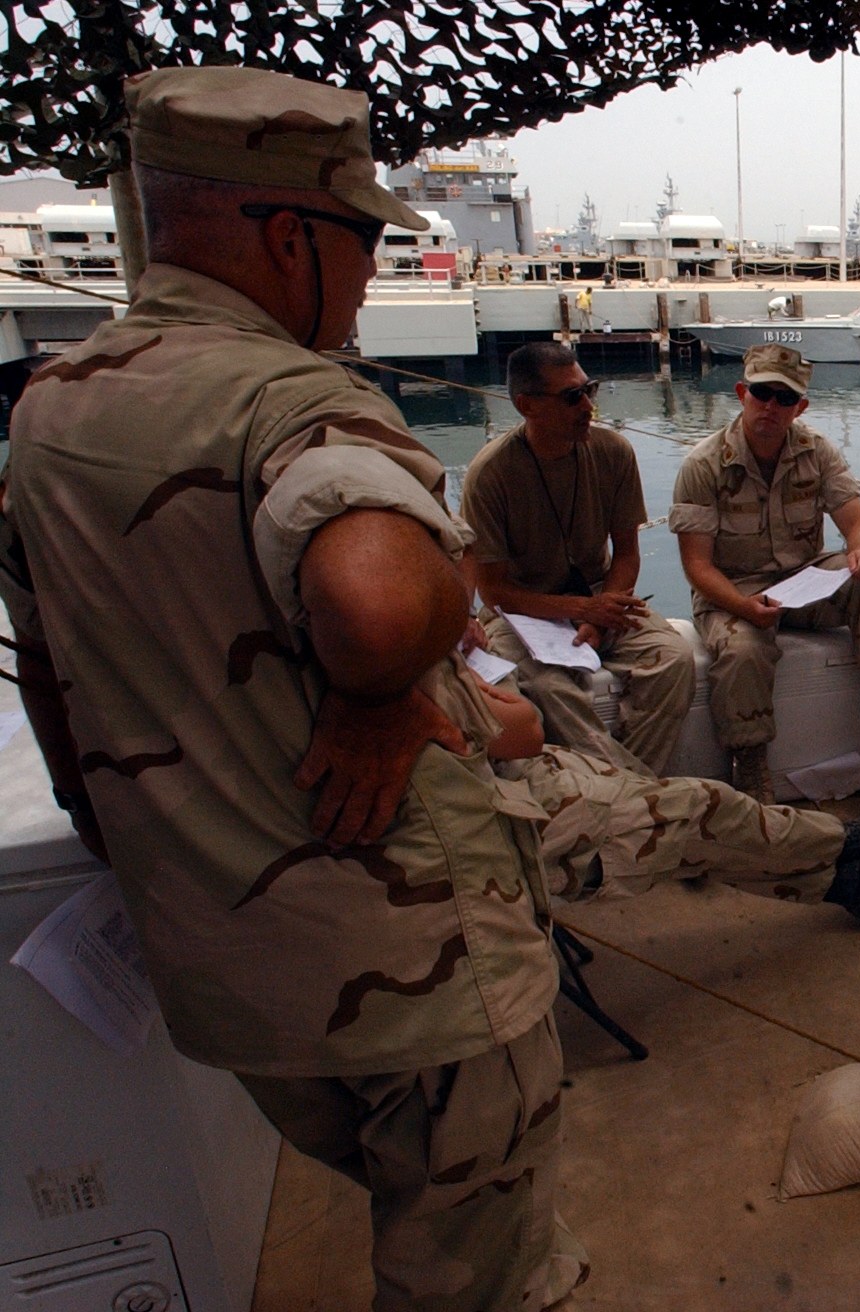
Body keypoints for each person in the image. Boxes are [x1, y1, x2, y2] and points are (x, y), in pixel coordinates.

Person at [0, 66, 579, 1308]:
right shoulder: (286, 398)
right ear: (284, 233)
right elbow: (377, 602)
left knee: (405, 1202)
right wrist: (378, 696)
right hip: (413, 963)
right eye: (364, 238)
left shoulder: (48, 409)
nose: (371, 274)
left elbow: (46, 665)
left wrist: (119, 827)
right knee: (472, 1269)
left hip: (225, 961)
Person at [438, 659, 860, 925]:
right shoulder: (398, 668)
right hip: (502, 831)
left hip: (510, 780)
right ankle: (845, 846)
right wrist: (465, 676)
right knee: (701, 808)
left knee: (677, 816)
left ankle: (854, 881)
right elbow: (523, 726)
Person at [669, 344, 860, 802]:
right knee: (742, 652)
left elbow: (858, 524)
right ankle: (750, 766)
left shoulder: (817, 451)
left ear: (800, 407)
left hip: (802, 582)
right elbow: (697, 565)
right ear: (741, 393)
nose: (770, 406)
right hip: (734, 590)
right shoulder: (703, 465)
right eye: (761, 393)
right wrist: (742, 606)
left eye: (784, 398)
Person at [463, 341, 696, 776]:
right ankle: (639, 794)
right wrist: (580, 610)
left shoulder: (613, 452)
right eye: (573, 397)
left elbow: (626, 554)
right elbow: (493, 592)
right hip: (522, 612)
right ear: (526, 405)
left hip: (597, 594)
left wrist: (599, 612)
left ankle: (628, 791)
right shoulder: (490, 475)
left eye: (590, 389)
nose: (588, 405)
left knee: (673, 660)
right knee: (549, 688)